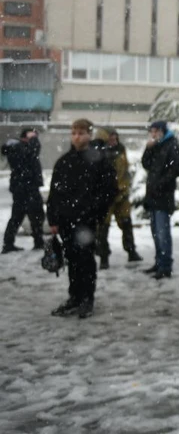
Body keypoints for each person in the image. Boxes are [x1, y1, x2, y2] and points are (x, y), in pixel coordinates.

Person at [47, 119, 117, 319]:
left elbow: (109, 190)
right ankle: (75, 296)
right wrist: (53, 219)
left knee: (85, 259)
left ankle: (87, 298)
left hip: (86, 222)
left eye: (81, 132)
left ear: (89, 134)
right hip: (66, 221)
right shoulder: (64, 162)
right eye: (74, 133)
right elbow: (55, 193)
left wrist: (95, 212)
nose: (77, 136)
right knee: (71, 259)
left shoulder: (99, 161)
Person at [141, 121, 179, 280]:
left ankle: (165, 265)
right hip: (153, 195)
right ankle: (159, 262)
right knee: (155, 232)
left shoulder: (171, 145)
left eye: (155, 131)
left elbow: (177, 168)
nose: (153, 134)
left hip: (163, 195)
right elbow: (146, 164)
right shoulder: (157, 146)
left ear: (162, 131)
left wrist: (161, 183)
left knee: (162, 232)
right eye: (151, 131)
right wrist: (148, 149)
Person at [94, 128, 142, 268]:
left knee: (126, 224)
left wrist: (124, 188)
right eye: (110, 137)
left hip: (122, 195)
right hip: (105, 198)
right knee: (103, 228)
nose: (113, 140)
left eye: (115, 137)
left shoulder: (121, 150)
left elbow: (125, 171)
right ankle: (104, 257)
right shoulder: (98, 153)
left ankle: (131, 251)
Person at [2, 128, 45, 252]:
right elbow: (33, 151)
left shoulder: (19, 147)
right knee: (33, 215)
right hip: (26, 187)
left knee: (22, 216)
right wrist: (33, 139)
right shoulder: (18, 148)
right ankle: (36, 241)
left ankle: (11, 243)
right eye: (32, 136)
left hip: (24, 187)